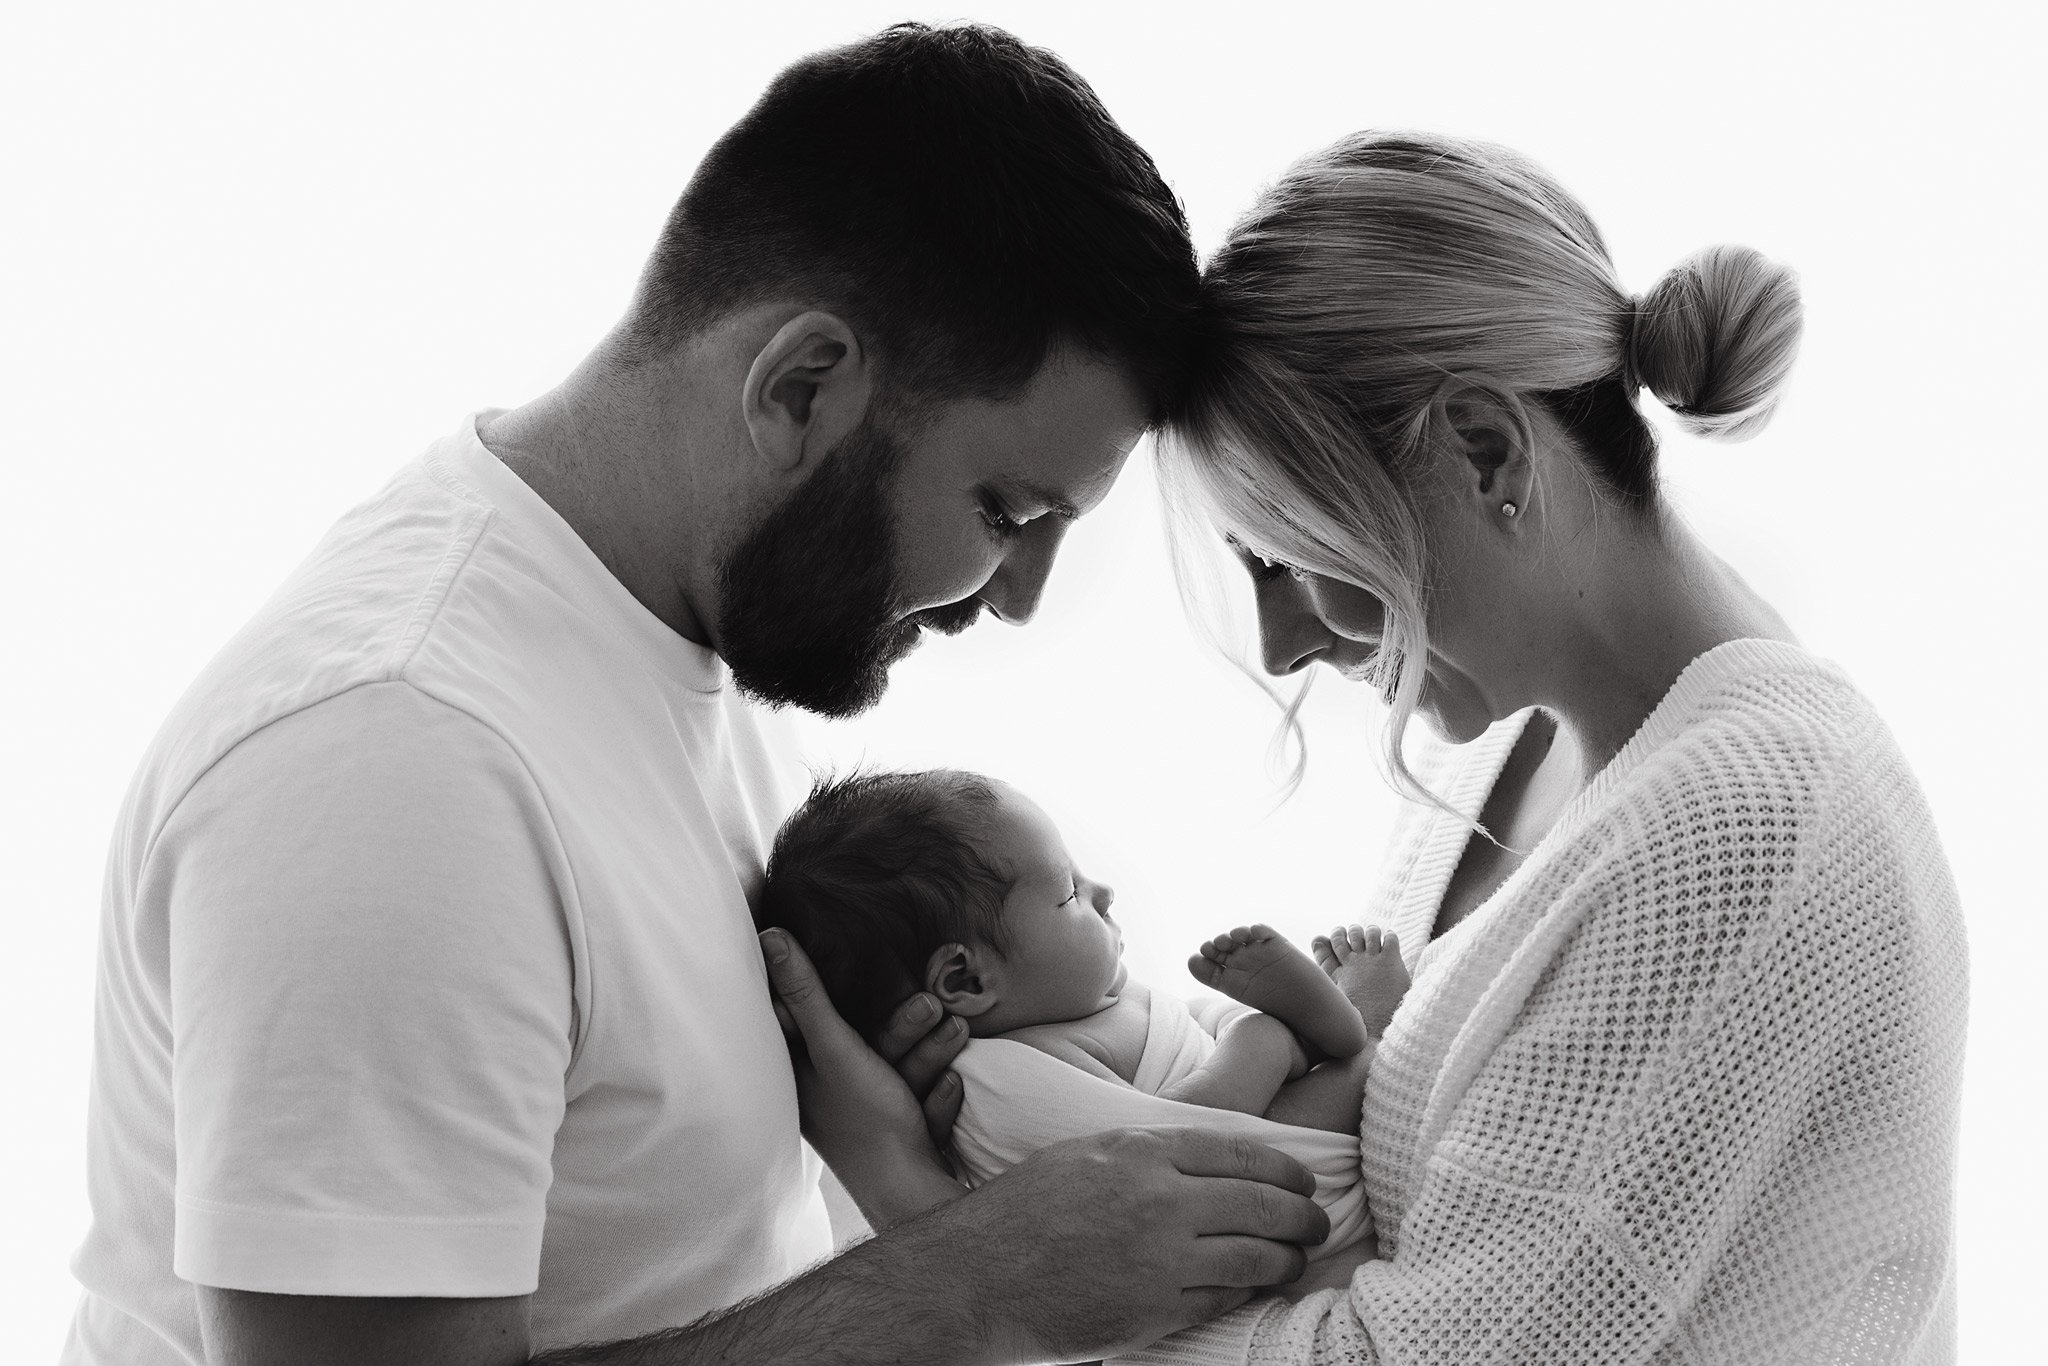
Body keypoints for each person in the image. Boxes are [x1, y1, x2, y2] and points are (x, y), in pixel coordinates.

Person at [64, 24, 1332, 1366]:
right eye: (1005, 512)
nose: (1015, 596)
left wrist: (891, 1155)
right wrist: (968, 1282)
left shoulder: (702, 624)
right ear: (799, 388)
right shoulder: (397, 760)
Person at [1125, 130, 1967, 1362]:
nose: (1280, 643)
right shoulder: (1503, 741)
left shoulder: (1748, 824)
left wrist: (1024, 1283)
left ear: (1483, 450)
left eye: (1288, 556)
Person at [752, 767, 1411, 1255]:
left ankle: (1332, 1029)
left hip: (1250, 1129)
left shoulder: (1081, 1010)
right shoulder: (998, 1078)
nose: (1104, 892)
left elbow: (1182, 1041)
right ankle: (1369, 1031)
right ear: (966, 979)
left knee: (1253, 1030)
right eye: (1069, 892)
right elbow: (1171, 1162)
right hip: (1279, 1195)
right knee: (1318, 1058)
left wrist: (1235, 1027)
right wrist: (1260, 1039)